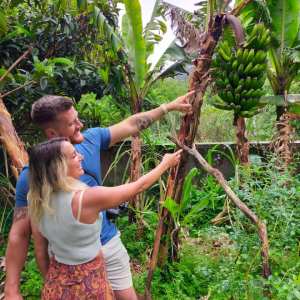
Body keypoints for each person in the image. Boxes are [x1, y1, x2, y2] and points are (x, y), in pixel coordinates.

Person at [4, 91, 194, 300]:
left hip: (107, 244)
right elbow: (20, 233)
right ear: (51, 133)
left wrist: (167, 107)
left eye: (77, 117)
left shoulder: (91, 139)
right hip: (67, 259)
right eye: (72, 123)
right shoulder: (32, 176)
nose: (80, 124)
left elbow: (131, 125)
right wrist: (12, 288)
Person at [27, 137, 182, 299]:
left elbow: (40, 250)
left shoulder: (36, 201)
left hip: (56, 284)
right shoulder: (85, 199)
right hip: (89, 283)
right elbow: (138, 186)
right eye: (73, 155)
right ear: (58, 167)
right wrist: (166, 163)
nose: (81, 157)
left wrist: (50, 282)